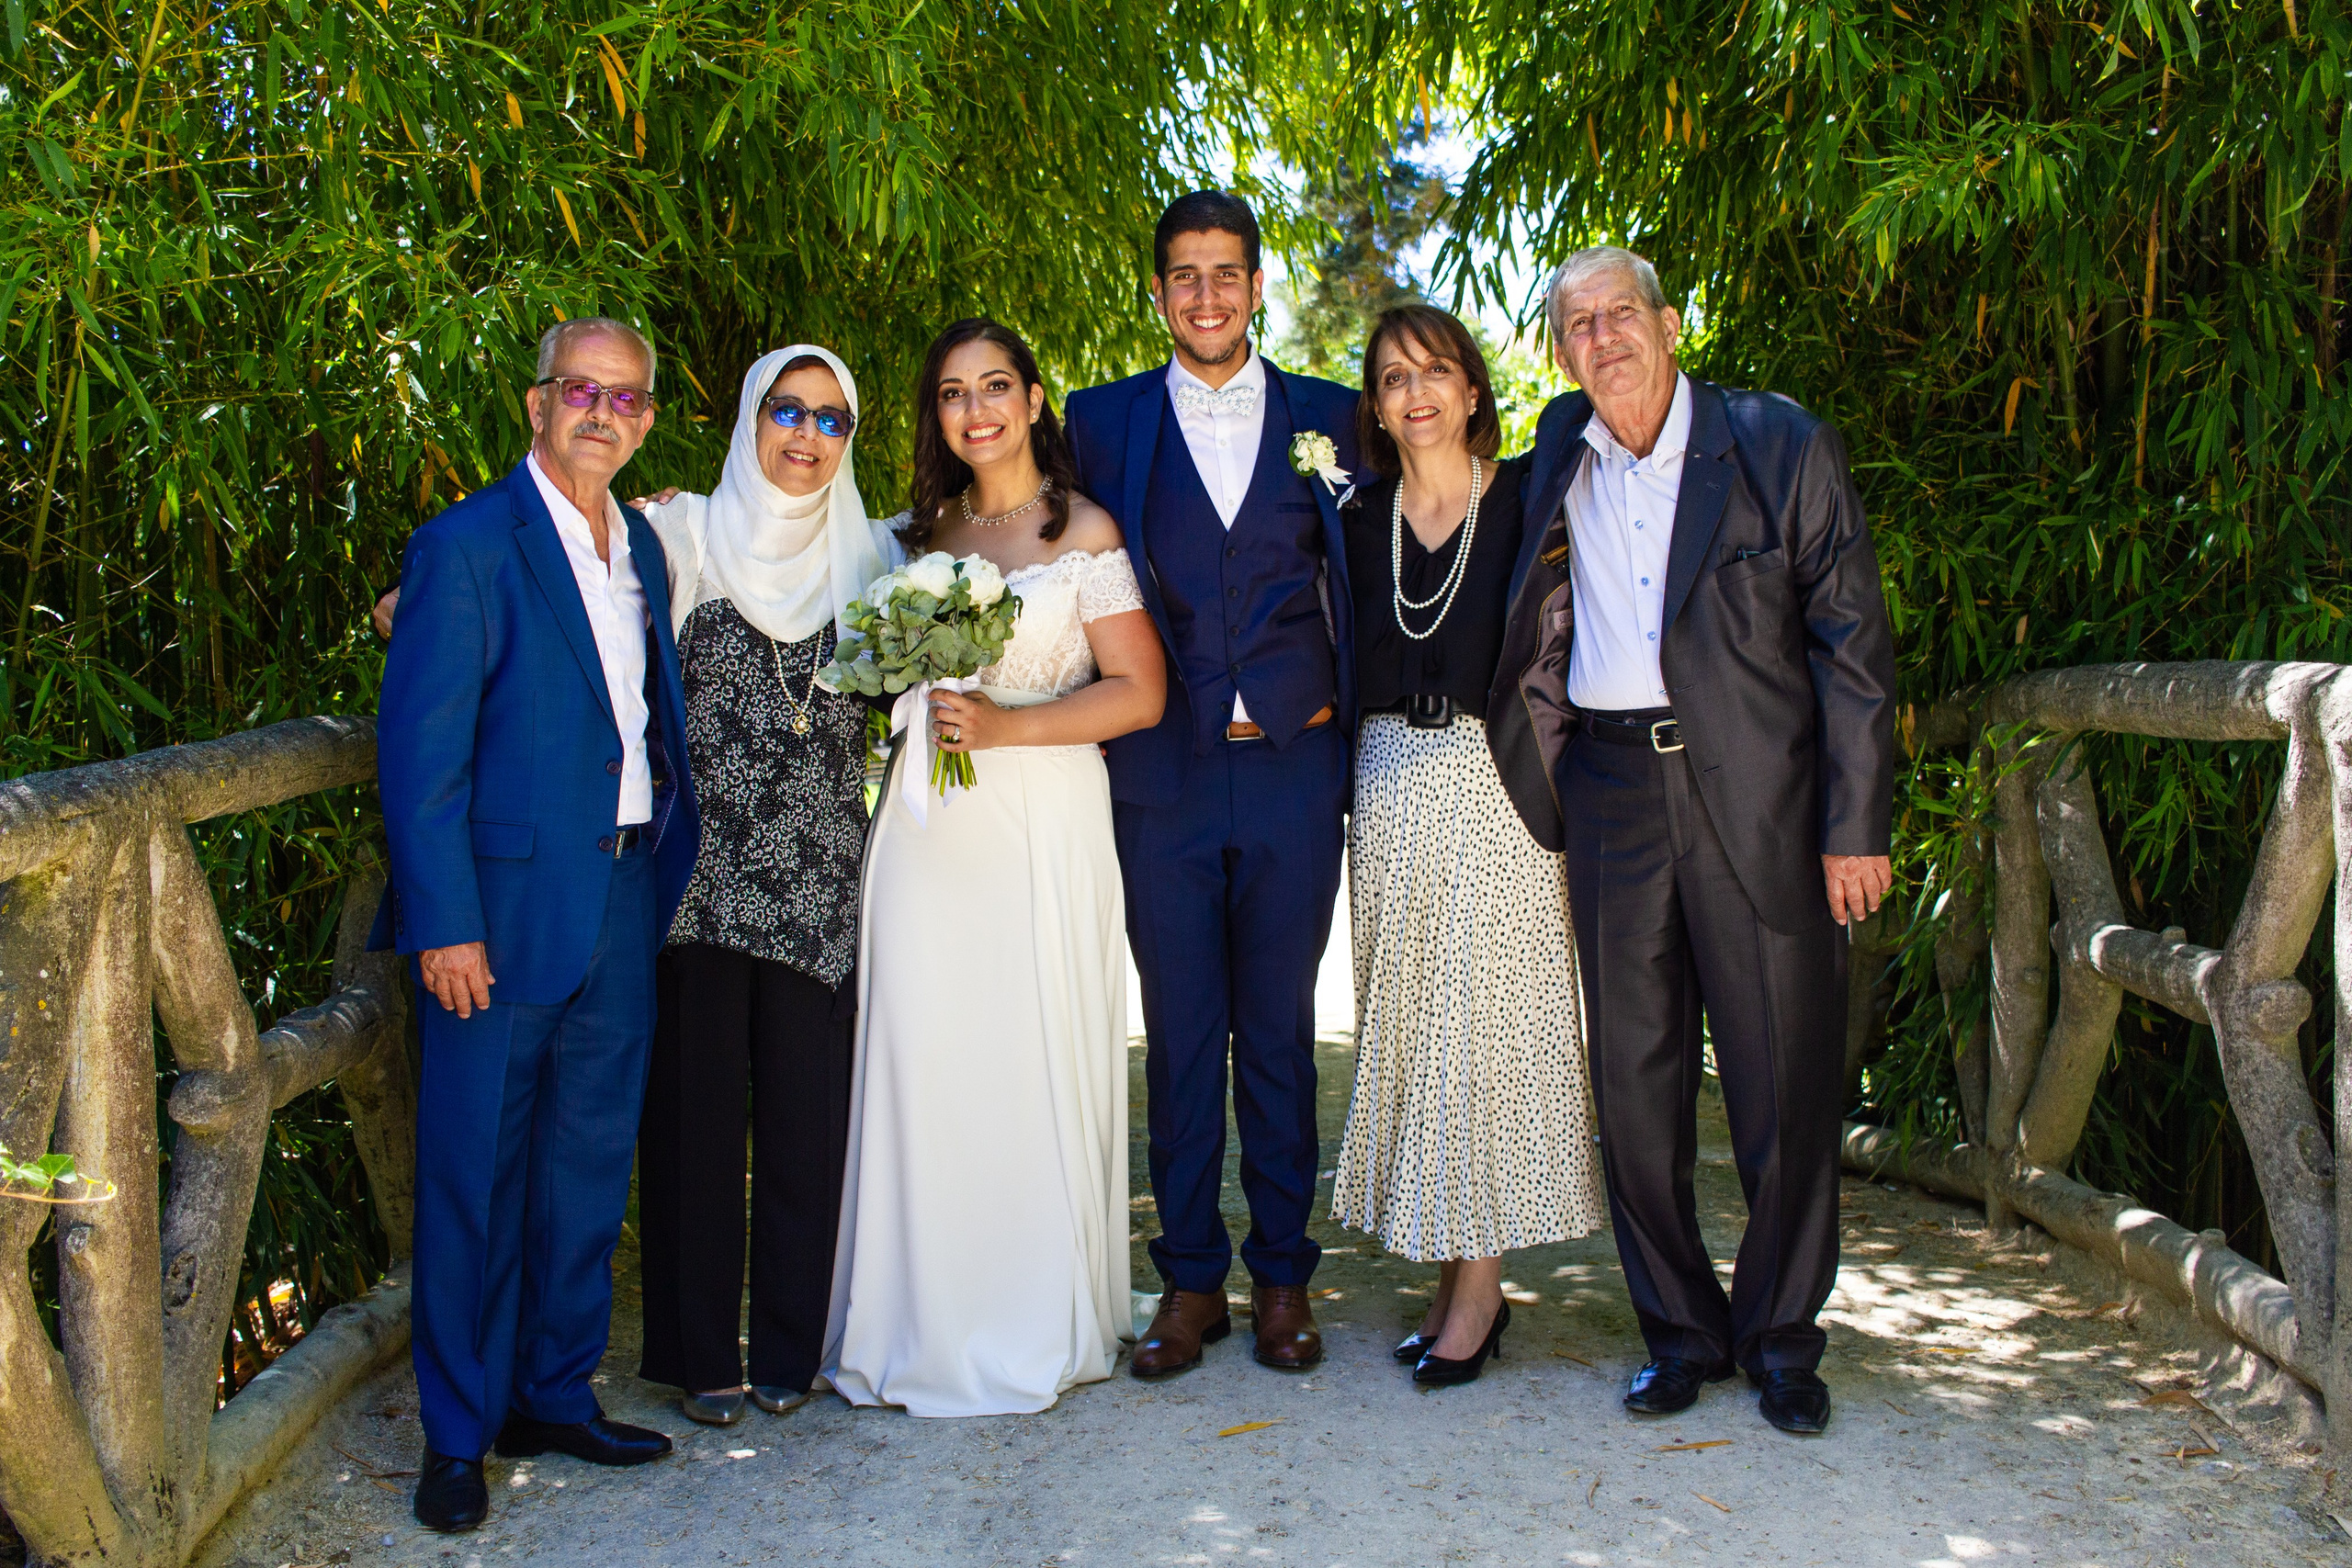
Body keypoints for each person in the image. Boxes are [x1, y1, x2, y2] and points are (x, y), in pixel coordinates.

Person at [1489, 246, 1896, 1436]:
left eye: (1623, 313)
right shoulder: (1556, 454)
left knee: (1782, 1082)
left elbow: (1853, 649)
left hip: (1760, 800)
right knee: (1635, 1083)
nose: (1604, 336)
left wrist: (1853, 823)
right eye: (1578, 322)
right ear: (1560, 349)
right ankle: (1677, 1330)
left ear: (1671, 322)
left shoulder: (1776, 443)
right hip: (1614, 790)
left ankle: (1780, 1337)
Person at [373, 318, 700, 1533]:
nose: (601, 413)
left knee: (582, 1162)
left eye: (624, 398)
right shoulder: (463, 547)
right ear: (537, 401)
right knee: (473, 1172)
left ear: (648, 419)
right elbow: (422, 757)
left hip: (620, 894)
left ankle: (553, 1390)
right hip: (497, 918)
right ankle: (458, 1434)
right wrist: (443, 922)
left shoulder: (644, 550)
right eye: (581, 390)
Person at [820, 318, 1166, 1416]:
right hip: (926, 836)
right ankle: (917, 1314)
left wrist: (1007, 729)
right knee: (926, 1055)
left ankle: (1030, 1313)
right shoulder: (911, 539)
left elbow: (1140, 693)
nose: (976, 411)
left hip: (1043, 819)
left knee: (1025, 1049)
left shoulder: (1084, 532)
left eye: (996, 388)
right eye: (953, 394)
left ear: (1031, 399)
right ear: (936, 416)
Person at [1062, 192, 1359, 1378]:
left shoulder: (1334, 418)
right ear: (1157, 293)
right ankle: (1192, 1278)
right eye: (1183, 276)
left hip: (1296, 763)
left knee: (1279, 1031)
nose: (1205, 296)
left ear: (1257, 284)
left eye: (1225, 273)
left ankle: (1283, 1273)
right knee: (1180, 1034)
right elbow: (1009, 525)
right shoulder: (1101, 421)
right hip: (1162, 773)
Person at [1329, 305, 1605, 1388]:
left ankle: (1479, 1292)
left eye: (1436, 370)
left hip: (1498, 790)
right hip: (1387, 785)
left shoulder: (1530, 498)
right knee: (1412, 1026)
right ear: (1376, 407)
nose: (1416, 393)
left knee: (1481, 1033)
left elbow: (1597, 403)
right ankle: (1455, 1273)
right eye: (1393, 378)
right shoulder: (1357, 517)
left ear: (1475, 388)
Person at [630, 346, 898, 1426]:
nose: (804, 435)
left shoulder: (878, 558)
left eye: (831, 420)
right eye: (786, 411)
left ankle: (790, 1348)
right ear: (749, 419)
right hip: (695, 883)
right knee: (694, 1126)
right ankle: (702, 1359)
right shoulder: (680, 531)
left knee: (805, 1123)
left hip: (820, 886)